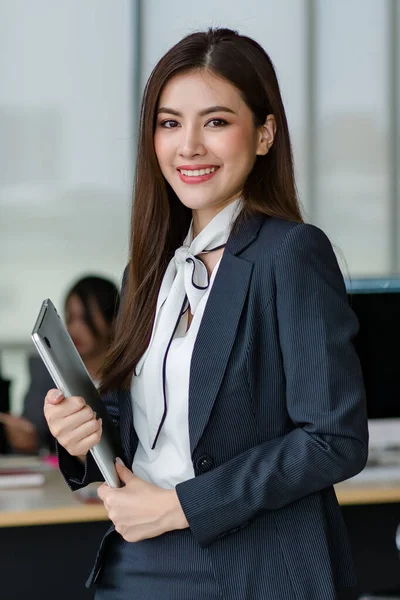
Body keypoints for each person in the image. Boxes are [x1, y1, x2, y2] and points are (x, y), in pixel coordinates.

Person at [43, 28, 368, 600]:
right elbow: (137, 437)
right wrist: (81, 437)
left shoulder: (290, 254)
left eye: (215, 122)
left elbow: (334, 439)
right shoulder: (147, 271)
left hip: (252, 568)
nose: (188, 145)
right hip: (137, 561)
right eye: (170, 123)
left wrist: (179, 508)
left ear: (265, 134)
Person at [1, 275, 120, 454]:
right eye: (70, 318)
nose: (74, 329)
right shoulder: (46, 370)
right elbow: (35, 430)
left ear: (113, 320)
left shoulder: (127, 374)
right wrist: (25, 436)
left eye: (85, 318)